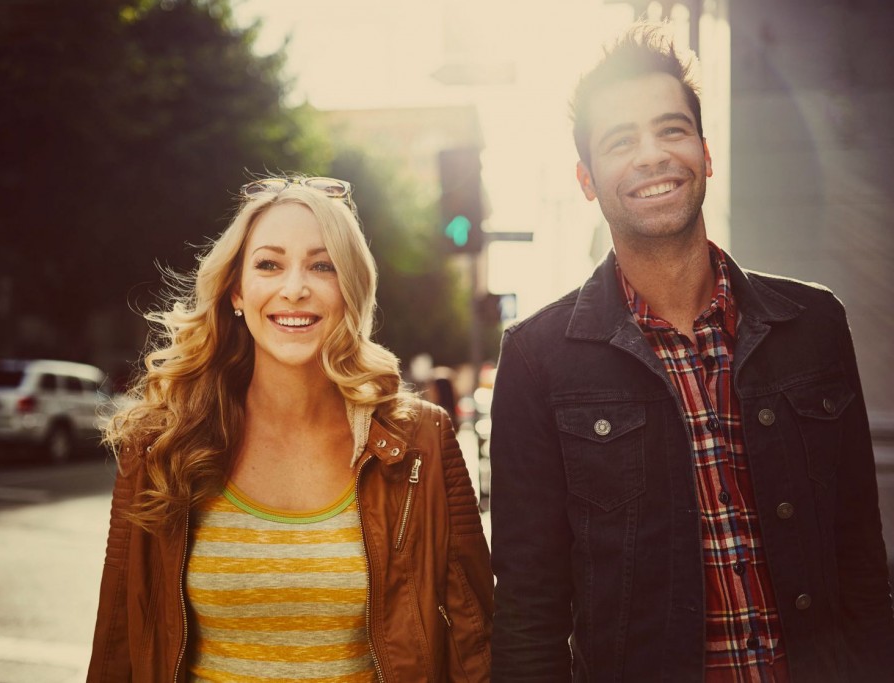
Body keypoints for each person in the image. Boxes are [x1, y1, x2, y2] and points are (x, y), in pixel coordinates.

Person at [489, 23, 894, 683]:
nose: (653, 155)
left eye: (672, 130)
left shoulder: (813, 323)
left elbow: (862, 565)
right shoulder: (538, 359)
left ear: (706, 153)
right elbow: (529, 611)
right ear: (587, 179)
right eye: (621, 140)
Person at [87, 176, 493, 682]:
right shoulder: (160, 443)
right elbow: (119, 646)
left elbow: (475, 642)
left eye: (322, 266)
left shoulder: (421, 442)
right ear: (237, 290)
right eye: (269, 264)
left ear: (350, 290)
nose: (295, 287)